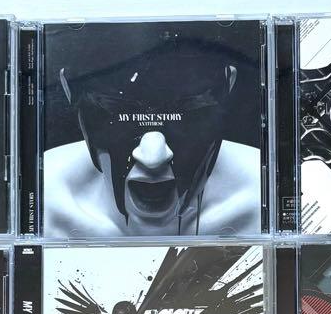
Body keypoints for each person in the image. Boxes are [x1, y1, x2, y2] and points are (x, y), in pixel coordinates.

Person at [42, 26, 261, 238]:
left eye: (188, 115)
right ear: (69, 89)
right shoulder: (44, 199)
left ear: (228, 85)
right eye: (120, 114)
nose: (153, 157)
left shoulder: (262, 195)